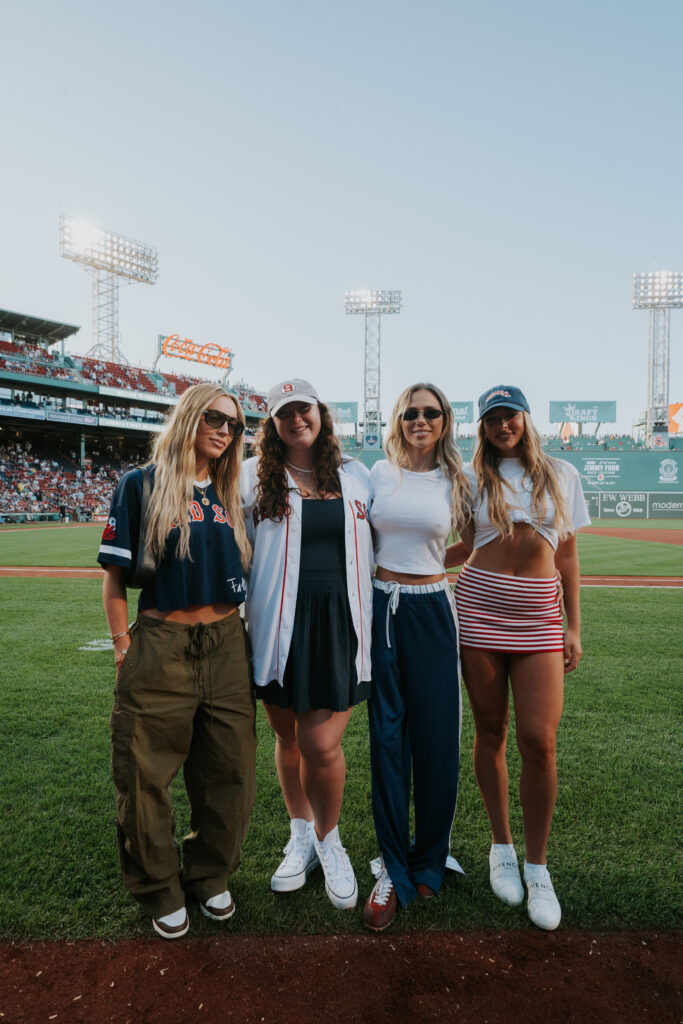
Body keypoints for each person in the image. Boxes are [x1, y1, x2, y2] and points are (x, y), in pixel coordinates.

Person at [98, 382, 256, 940]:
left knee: (231, 771)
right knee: (145, 774)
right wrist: (123, 645)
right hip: (161, 642)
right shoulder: (141, 484)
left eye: (234, 424)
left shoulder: (232, 490)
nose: (223, 429)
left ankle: (210, 874)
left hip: (228, 643)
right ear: (189, 416)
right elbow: (113, 578)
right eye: (214, 417)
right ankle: (161, 886)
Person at [454, 385, 590, 930]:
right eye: (491, 419)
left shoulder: (560, 473)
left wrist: (574, 627)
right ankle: (501, 849)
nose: (501, 425)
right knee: (491, 730)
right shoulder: (468, 476)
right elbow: (465, 548)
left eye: (509, 416)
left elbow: (570, 556)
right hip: (479, 607)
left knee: (540, 740)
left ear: (525, 419)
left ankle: (538, 866)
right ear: (482, 426)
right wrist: (401, 567)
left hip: (538, 616)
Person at [241, 378, 373, 911]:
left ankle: (329, 837)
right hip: (277, 626)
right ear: (272, 425)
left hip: (339, 623)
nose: (297, 419)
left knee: (320, 745)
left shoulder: (357, 476)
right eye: (284, 413)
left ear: (321, 413)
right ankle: (300, 834)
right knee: (288, 739)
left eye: (305, 409)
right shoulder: (251, 477)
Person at [362, 383, 471, 931]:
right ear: (399, 419)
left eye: (431, 412)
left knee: (436, 740)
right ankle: (393, 866)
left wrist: (431, 560)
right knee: (385, 738)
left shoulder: (460, 479)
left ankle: (430, 855)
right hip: (382, 608)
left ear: (445, 420)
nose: (420, 419)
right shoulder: (378, 473)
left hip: (432, 608)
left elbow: (470, 542)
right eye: (411, 411)